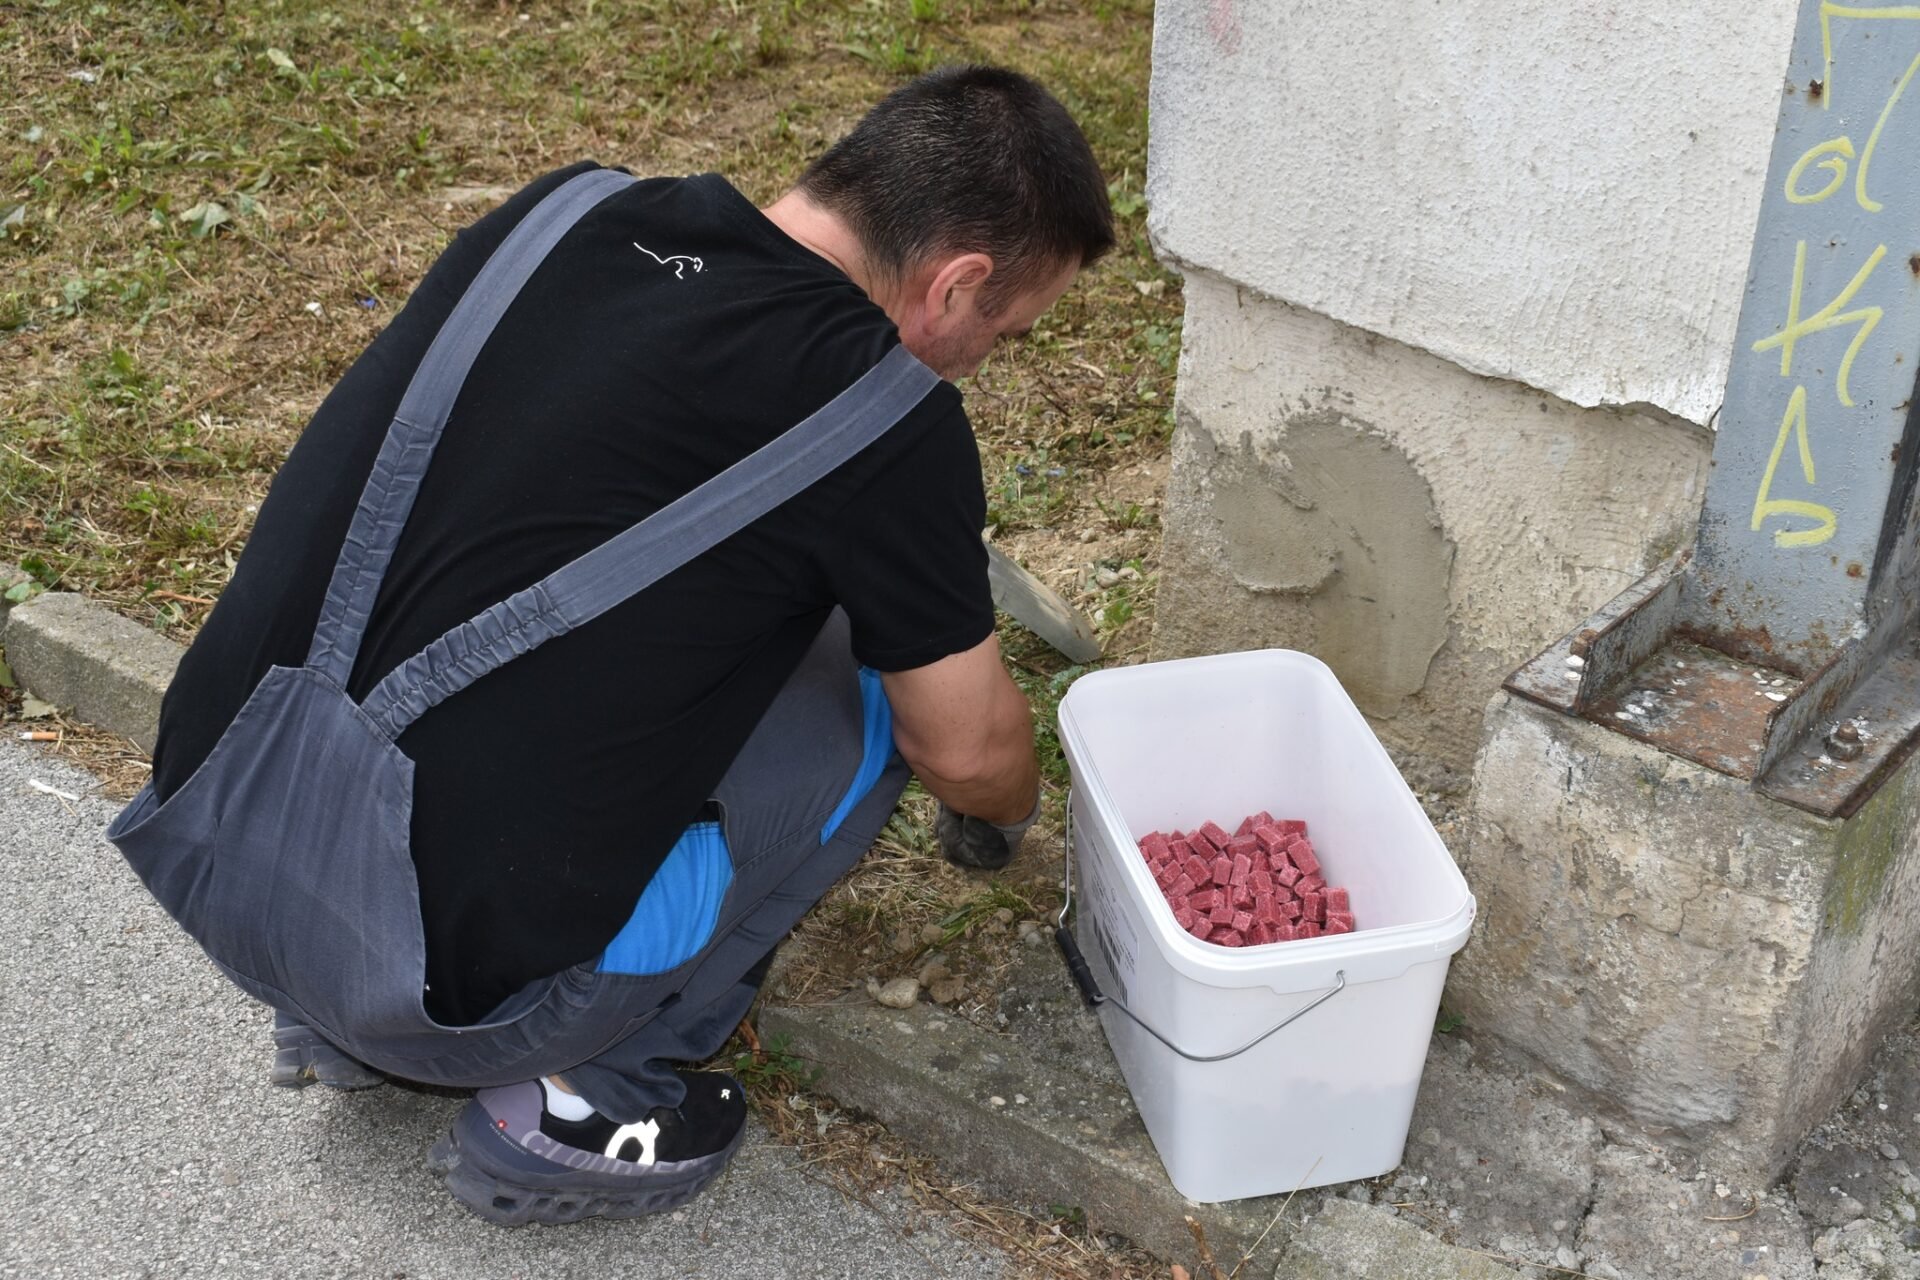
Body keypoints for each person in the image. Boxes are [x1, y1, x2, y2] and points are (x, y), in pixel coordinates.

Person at [115, 64, 1113, 1226]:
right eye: (1007, 332)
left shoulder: (560, 214)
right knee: (895, 703)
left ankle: (336, 992)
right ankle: (580, 1091)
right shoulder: (885, 416)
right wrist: (1012, 814)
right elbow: (970, 746)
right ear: (960, 282)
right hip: (449, 994)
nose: (983, 360)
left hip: (224, 833)